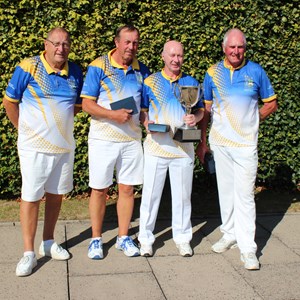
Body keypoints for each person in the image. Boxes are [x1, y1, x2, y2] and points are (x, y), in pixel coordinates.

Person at [3, 27, 83, 276]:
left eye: (66, 44)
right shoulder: (29, 66)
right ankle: (28, 253)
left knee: (56, 194)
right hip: (34, 147)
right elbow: (9, 101)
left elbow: (77, 106)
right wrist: (24, 131)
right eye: (56, 43)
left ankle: (48, 242)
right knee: (31, 196)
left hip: (63, 146)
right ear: (46, 44)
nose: (61, 48)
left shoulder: (76, 71)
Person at [196, 28, 277, 270]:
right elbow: (206, 112)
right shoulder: (212, 73)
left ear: (245, 48)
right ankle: (229, 233)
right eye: (232, 47)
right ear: (224, 48)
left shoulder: (256, 71)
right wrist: (203, 142)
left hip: (245, 145)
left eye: (240, 47)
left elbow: (271, 103)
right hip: (220, 144)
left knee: (244, 196)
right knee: (226, 193)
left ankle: (248, 248)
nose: (236, 51)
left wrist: (252, 120)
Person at [81, 25, 151, 259]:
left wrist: (148, 122)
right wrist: (114, 115)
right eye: (127, 42)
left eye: (135, 43)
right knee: (99, 190)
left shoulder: (142, 70)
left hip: (131, 139)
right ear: (117, 42)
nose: (131, 47)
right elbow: (87, 104)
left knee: (128, 189)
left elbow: (143, 108)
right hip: (103, 139)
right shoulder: (98, 65)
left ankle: (123, 237)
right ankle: (96, 239)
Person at [138, 40, 204, 257]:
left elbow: (201, 111)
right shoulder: (150, 81)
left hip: (183, 149)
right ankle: (145, 239)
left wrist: (195, 117)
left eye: (180, 56)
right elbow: (143, 111)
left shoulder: (190, 82)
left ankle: (183, 238)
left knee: (183, 196)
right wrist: (146, 123)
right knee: (150, 195)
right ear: (163, 56)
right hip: (156, 147)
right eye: (172, 55)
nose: (176, 60)